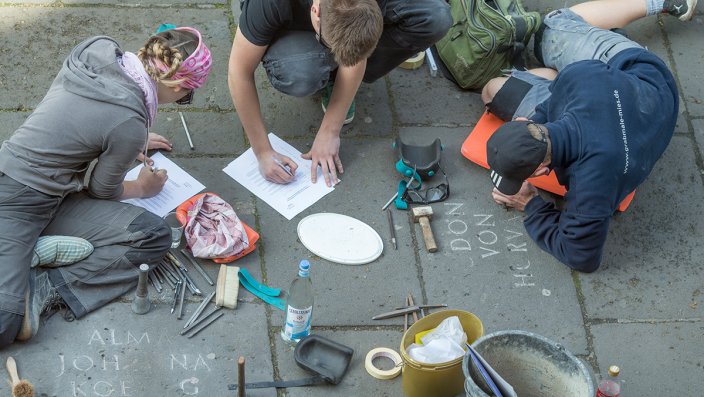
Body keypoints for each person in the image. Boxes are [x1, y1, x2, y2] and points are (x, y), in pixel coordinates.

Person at [0, 26, 213, 348]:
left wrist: (126, 141)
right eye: (187, 95)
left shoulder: (95, 50)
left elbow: (86, 115)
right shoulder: (128, 123)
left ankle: (34, 269)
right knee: (4, 325)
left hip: (31, 182)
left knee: (150, 233)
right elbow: (103, 190)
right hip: (20, 203)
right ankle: (36, 273)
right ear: (178, 83)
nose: (183, 100)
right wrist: (143, 187)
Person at [480, 0, 695, 272]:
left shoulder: (592, 185)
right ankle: (573, 49)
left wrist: (531, 205)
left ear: (541, 170)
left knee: (502, 80)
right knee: (544, 37)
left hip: (641, 88)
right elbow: (555, 100)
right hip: (643, 87)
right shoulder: (579, 76)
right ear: (523, 121)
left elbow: (582, 258)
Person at [228, 0, 452, 187]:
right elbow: (239, 72)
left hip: (341, 17)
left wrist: (331, 130)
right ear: (315, 12)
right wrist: (262, 152)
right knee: (300, 75)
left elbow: (357, 47)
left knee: (436, 16)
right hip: (287, 22)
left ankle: (341, 78)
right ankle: (326, 70)